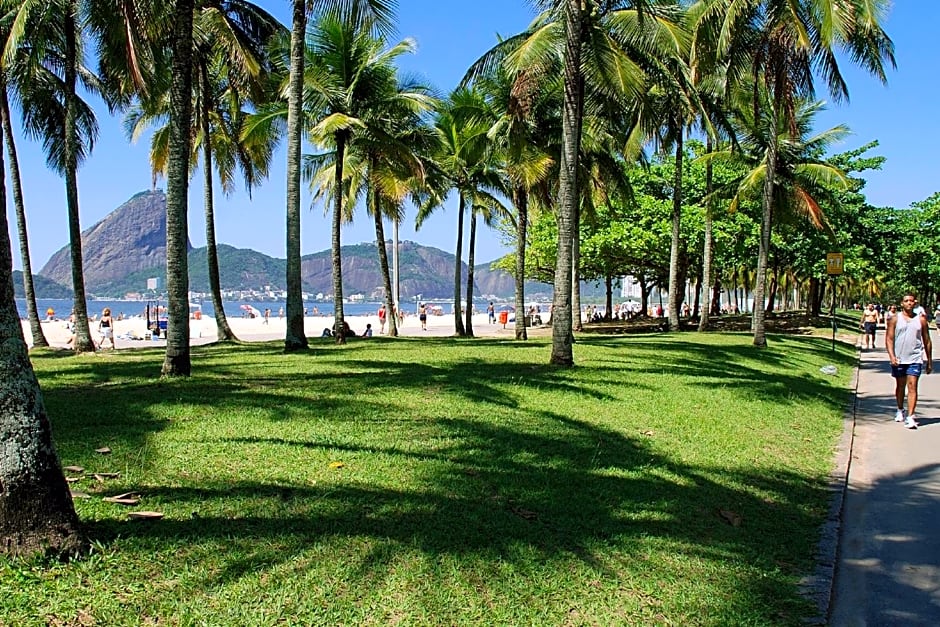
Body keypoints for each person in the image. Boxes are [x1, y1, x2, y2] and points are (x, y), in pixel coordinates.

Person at [885, 293, 933, 429]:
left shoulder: (921, 320)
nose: (909, 303)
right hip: (899, 359)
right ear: (902, 303)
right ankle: (900, 409)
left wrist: (929, 360)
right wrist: (892, 356)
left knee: (912, 386)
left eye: (911, 301)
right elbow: (889, 339)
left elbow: (927, 340)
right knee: (900, 386)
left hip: (915, 358)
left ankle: (911, 416)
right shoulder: (894, 319)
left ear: (915, 303)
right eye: (906, 301)